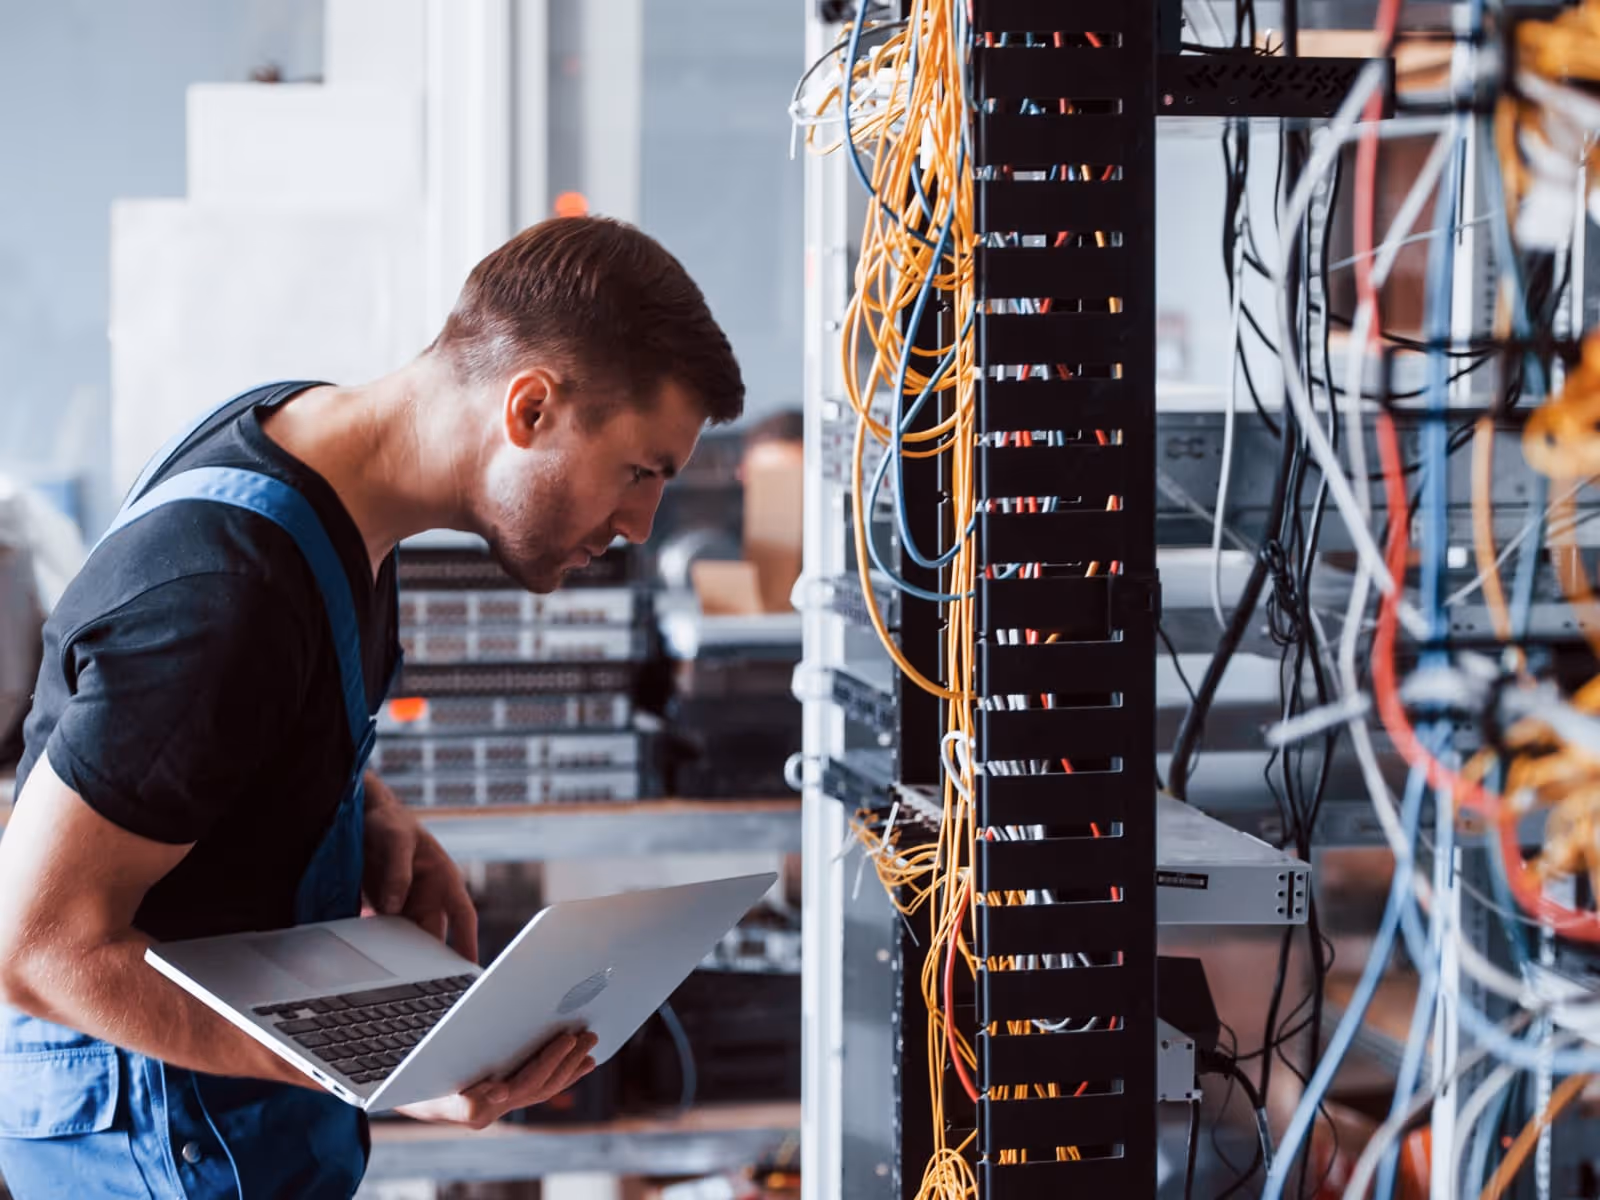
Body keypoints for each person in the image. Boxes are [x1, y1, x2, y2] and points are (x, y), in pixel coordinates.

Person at [0, 216, 744, 1198]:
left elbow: (209, 729)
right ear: (529, 408)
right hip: (153, 1145)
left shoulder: (320, 470)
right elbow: (37, 946)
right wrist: (389, 1066)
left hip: (229, 1129)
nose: (641, 525)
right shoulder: (229, 592)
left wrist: (365, 805)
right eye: (639, 471)